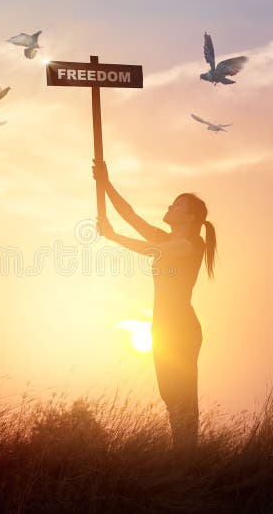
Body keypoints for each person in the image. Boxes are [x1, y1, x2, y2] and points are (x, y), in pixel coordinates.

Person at [92, 160, 217, 448]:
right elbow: (131, 216)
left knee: (182, 397)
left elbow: (150, 251)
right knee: (171, 397)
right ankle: (182, 455)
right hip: (161, 326)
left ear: (189, 218)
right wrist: (106, 182)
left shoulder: (191, 244)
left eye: (176, 206)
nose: (170, 207)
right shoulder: (168, 237)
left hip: (181, 328)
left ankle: (187, 458)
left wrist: (112, 237)